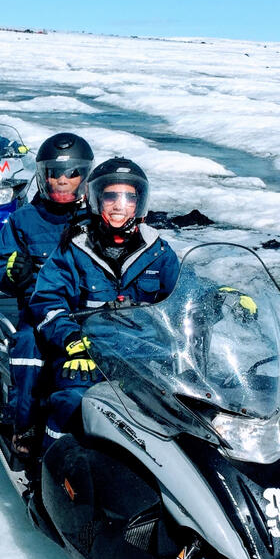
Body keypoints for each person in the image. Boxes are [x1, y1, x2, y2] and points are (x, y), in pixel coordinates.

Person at [29, 157, 179, 450]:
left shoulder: (158, 251)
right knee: (71, 402)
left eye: (128, 197)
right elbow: (47, 300)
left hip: (145, 357)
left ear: (140, 203)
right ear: (97, 200)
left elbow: (185, 290)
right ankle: (50, 473)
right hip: (86, 354)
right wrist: (72, 338)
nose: (119, 205)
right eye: (110, 196)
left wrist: (222, 298)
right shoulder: (73, 248)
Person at [0, 133, 94, 453]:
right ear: (42, 175)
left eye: (72, 173)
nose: (62, 181)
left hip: (91, 312)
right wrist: (10, 273)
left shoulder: (98, 220)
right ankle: (27, 424)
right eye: (55, 174)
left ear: (85, 177)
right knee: (29, 347)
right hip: (39, 313)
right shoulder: (23, 219)